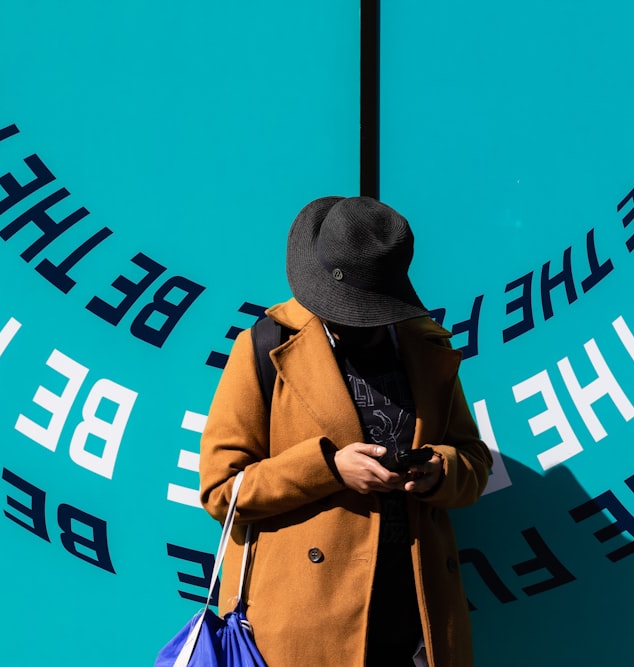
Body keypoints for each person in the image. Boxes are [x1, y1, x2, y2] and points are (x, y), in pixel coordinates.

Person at [199, 196, 492, 666]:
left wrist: (440, 470)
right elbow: (221, 490)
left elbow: (474, 461)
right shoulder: (264, 345)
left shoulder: (426, 346)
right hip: (305, 625)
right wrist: (329, 469)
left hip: (418, 621)